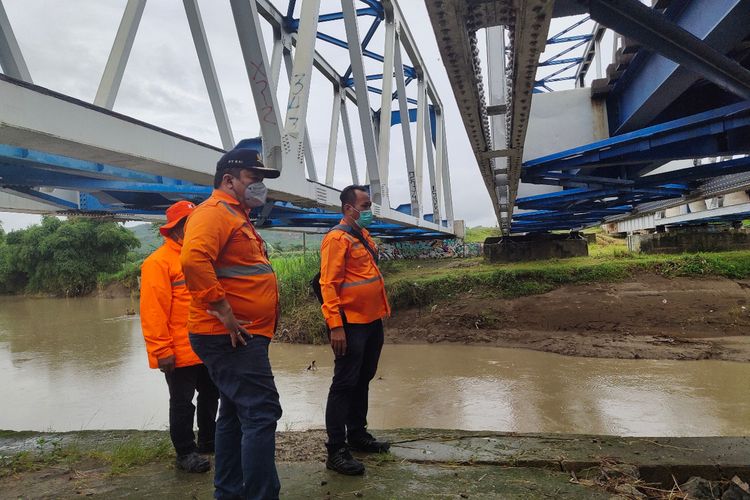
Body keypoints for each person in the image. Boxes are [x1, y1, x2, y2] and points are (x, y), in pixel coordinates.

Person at [181, 147, 282, 500]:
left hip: (239, 334)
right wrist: (224, 311)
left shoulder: (235, 215)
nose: (260, 188)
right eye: (254, 179)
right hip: (232, 335)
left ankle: (229, 492)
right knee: (261, 411)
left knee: (235, 414)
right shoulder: (214, 213)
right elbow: (194, 261)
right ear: (229, 179)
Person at [140, 200, 219, 473]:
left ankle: (209, 440)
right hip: (179, 350)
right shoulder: (157, 263)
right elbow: (153, 311)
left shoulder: (201, 257)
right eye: (192, 224)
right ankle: (185, 452)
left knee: (211, 395)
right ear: (177, 229)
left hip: (208, 344)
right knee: (183, 403)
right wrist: (162, 351)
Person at [319, 184, 392, 476]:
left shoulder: (362, 235)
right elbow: (328, 284)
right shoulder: (337, 239)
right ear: (349, 208)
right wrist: (335, 326)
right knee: (344, 384)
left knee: (364, 377)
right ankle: (336, 450)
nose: (368, 211)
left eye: (369, 205)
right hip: (349, 325)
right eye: (364, 206)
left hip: (372, 320)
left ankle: (357, 434)